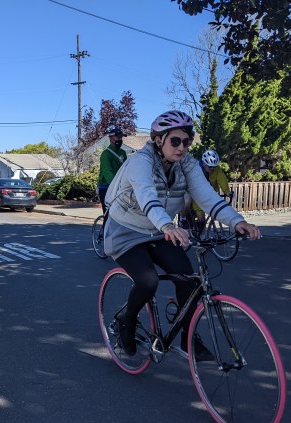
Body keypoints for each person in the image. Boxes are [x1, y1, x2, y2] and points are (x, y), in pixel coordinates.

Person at [103, 110, 261, 359]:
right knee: (148, 281)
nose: (181, 147)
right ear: (158, 140)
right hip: (126, 230)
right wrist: (168, 226)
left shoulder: (186, 164)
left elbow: (207, 196)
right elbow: (147, 197)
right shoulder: (140, 162)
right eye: (175, 141)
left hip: (157, 230)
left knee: (189, 279)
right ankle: (126, 320)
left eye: (186, 142)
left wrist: (236, 221)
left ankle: (188, 336)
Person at [97, 125, 128, 214]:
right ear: (111, 138)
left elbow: (126, 169)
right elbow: (108, 172)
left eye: (121, 137)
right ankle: (105, 227)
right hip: (106, 187)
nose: (120, 139)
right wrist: (116, 185)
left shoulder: (123, 153)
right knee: (109, 213)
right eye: (118, 137)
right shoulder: (106, 154)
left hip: (120, 187)